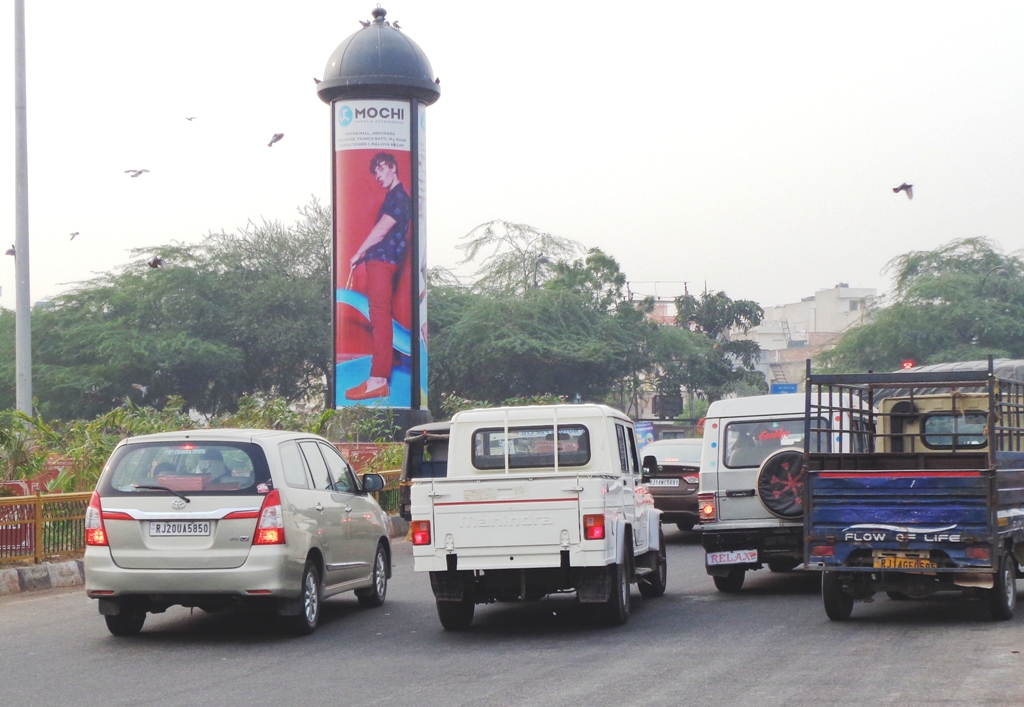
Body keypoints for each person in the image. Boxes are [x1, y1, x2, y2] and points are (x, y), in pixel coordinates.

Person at [346, 152, 411, 401]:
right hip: (381, 262)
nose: (378, 176)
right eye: (375, 172)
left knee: (381, 316)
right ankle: (377, 378)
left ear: (393, 168)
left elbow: (380, 231)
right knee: (380, 315)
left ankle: (378, 380)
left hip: (382, 263)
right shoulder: (394, 197)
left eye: (381, 169)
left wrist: (358, 253)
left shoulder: (398, 198)